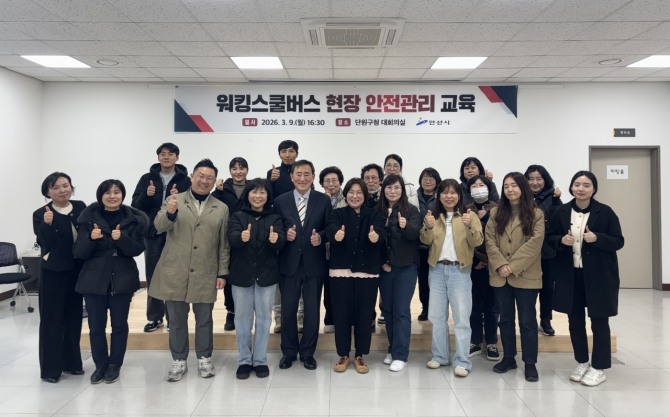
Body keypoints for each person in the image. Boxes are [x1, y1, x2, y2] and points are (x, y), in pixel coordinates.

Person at [149, 159, 230, 382]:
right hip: (176, 270)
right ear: (192, 176)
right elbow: (159, 226)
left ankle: (204, 357)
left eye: (210, 178)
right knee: (176, 319)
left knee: (204, 319)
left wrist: (222, 272)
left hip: (205, 270)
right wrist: (170, 213)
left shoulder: (221, 208)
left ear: (214, 181)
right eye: (201, 176)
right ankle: (179, 359)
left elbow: (223, 244)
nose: (204, 181)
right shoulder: (174, 200)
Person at [546, 171, 624, 387]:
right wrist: (561, 240)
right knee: (575, 321)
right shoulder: (561, 211)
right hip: (571, 276)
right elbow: (549, 238)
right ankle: (581, 361)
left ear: (594, 189)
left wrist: (597, 237)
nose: (581, 189)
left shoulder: (605, 212)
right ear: (571, 187)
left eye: (586, 185)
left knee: (599, 322)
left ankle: (599, 367)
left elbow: (618, 241)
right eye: (577, 184)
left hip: (599, 277)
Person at [74, 179, 148, 384]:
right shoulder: (88, 219)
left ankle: (115, 364)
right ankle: (100, 365)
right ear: (100, 195)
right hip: (93, 278)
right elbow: (78, 252)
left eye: (116, 192)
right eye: (108, 192)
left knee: (119, 325)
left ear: (123, 195)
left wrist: (121, 238)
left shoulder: (133, 219)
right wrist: (91, 238)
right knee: (96, 326)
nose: (112, 196)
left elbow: (137, 249)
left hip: (122, 277)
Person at [485, 172, 544, 382]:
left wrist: (511, 266)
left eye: (514, 185)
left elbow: (535, 243)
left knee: (527, 321)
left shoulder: (536, 213)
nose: (510, 189)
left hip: (526, 275)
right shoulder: (495, 213)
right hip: (500, 275)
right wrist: (501, 264)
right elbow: (489, 241)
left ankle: (530, 363)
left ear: (522, 188)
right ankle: (509, 357)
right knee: (505, 319)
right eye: (506, 186)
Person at [421, 179, 483, 377]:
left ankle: (463, 361)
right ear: (439, 196)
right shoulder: (433, 216)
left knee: (461, 318)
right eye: (445, 192)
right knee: (437, 316)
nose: (449, 196)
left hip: (460, 271)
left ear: (459, 195)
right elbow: (425, 240)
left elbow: (477, 241)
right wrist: (428, 227)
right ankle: (440, 356)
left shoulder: (469, 215)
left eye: (453, 192)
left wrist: (469, 226)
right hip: (437, 270)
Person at [274, 160, 332, 370]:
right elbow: (275, 228)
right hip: (288, 263)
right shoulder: (280, 201)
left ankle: (308, 353)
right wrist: (284, 234)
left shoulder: (323, 200)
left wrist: (321, 237)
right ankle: (288, 352)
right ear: (291, 177)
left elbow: (330, 227)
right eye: (298, 174)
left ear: (313, 177)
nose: (302, 178)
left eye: (307, 174)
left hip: (314, 263)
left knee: (312, 310)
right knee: (288, 310)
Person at [326, 178, 386, 374]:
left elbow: (382, 233)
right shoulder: (337, 213)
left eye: (359, 192)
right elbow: (330, 230)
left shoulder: (374, 214)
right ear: (346, 195)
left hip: (367, 272)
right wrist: (335, 235)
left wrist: (376, 237)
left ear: (365, 195)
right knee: (341, 314)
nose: (355, 196)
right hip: (340, 272)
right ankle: (343, 355)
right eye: (351, 192)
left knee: (364, 315)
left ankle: (360, 355)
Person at [227, 178, 285, 379]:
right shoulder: (237, 216)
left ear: (268, 196)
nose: (258, 196)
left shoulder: (275, 217)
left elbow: (281, 241)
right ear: (247, 194)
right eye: (254, 192)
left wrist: (276, 240)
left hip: (267, 277)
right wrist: (240, 238)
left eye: (262, 192)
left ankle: (260, 360)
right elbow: (231, 238)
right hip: (241, 275)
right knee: (242, 319)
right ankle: (244, 360)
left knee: (264, 319)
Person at [32, 172, 86, 383]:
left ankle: (72, 363)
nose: (63, 190)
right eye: (56, 187)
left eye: (66, 185)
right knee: (52, 320)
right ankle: (50, 370)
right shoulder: (41, 213)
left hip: (77, 271)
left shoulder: (80, 207)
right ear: (48, 192)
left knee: (74, 317)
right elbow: (44, 243)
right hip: (54, 272)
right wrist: (47, 224)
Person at [131, 142, 190, 333]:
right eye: (163, 154)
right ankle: (155, 317)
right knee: (153, 276)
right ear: (158, 157)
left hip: (176, 233)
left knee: (176, 276)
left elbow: (191, 206)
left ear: (177, 157)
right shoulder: (146, 178)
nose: (166, 157)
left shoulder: (185, 180)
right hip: (152, 234)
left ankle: (174, 318)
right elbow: (135, 206)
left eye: (170, 154)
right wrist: (147, 195)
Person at [378, 174, 421, 372]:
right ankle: (392, 348)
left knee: (401, 310)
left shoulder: (411, 210)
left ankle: (401, 355)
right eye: (389, 187)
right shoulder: (376, 210)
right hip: (385, 268)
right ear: (383, 190)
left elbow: (415, 235)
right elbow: (373, 241)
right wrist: (382, 262)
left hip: (406, 267)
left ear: (402, 190)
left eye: (396, 187)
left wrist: (405, 226)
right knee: (388, 310)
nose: (392, 191)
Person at [266, 139, 301, 333]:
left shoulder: (302, 171)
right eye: (284, 151)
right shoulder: (273, 173)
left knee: (301, 274)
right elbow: (266, 200)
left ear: (297, 153)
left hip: (300, 229)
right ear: (279, 154)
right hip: (279, 229)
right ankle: (278, 317)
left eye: (291, 151)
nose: (287, 154)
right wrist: (271, 181)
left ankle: (301, 317)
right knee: (278, 275)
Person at [524, 164, 563, 336]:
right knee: (527, 288)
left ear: (545, 180)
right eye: (531, 179)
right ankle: (528, 320)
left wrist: (557, 199)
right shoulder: (521, 197)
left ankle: (545, 320)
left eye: (539, 179)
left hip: (547, 251)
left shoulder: (553, 197)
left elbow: (559, 220)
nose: (534, 182)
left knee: (547, 287)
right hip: (526, 250)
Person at [465, 175, 500, 361]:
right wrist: (475, 259)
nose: (478, 188)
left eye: (481, 185)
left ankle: (492, 342)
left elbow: (501, 236)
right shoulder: (466, 210)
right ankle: (475, 340)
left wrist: (489, 260)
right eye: (474, 186)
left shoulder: (498, 209)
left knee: (492, 306)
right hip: (474, 265)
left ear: (488, 187)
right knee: (474, 305)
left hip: (494, 265)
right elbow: (463, 238)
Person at [213, 156, 250, 331]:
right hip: (227, 238)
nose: (238, 171)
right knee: (229, 276)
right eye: (234, 168)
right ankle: (231, 311)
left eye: (242, 168)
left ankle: (246, 312)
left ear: (247, 170)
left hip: (249, 237)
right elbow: (212, 204)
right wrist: (217, 190)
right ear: (230, 171)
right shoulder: (222, 189)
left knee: (246, 275)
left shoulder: (253, 188)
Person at [318, 166, 347, 334]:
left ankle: (345, 320)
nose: (331, 184)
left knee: (343, 288)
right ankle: (330, 319)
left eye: (334, 180)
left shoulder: (348, 198)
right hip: (323, 250)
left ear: (340, 182)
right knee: (328, 288)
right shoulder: (318, 200)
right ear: (322, 183)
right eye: (327, 181)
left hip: (342, 250)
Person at [416, 168, 442, 321]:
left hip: (436, 245)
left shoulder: (441, 197)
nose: (428, 181)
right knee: (423, 279)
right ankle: (425, 307)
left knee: (436, 279)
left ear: (437, 181)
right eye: (425, 178)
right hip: (418, 246)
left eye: (431, 178)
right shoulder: (414, 197)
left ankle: (436, 309)